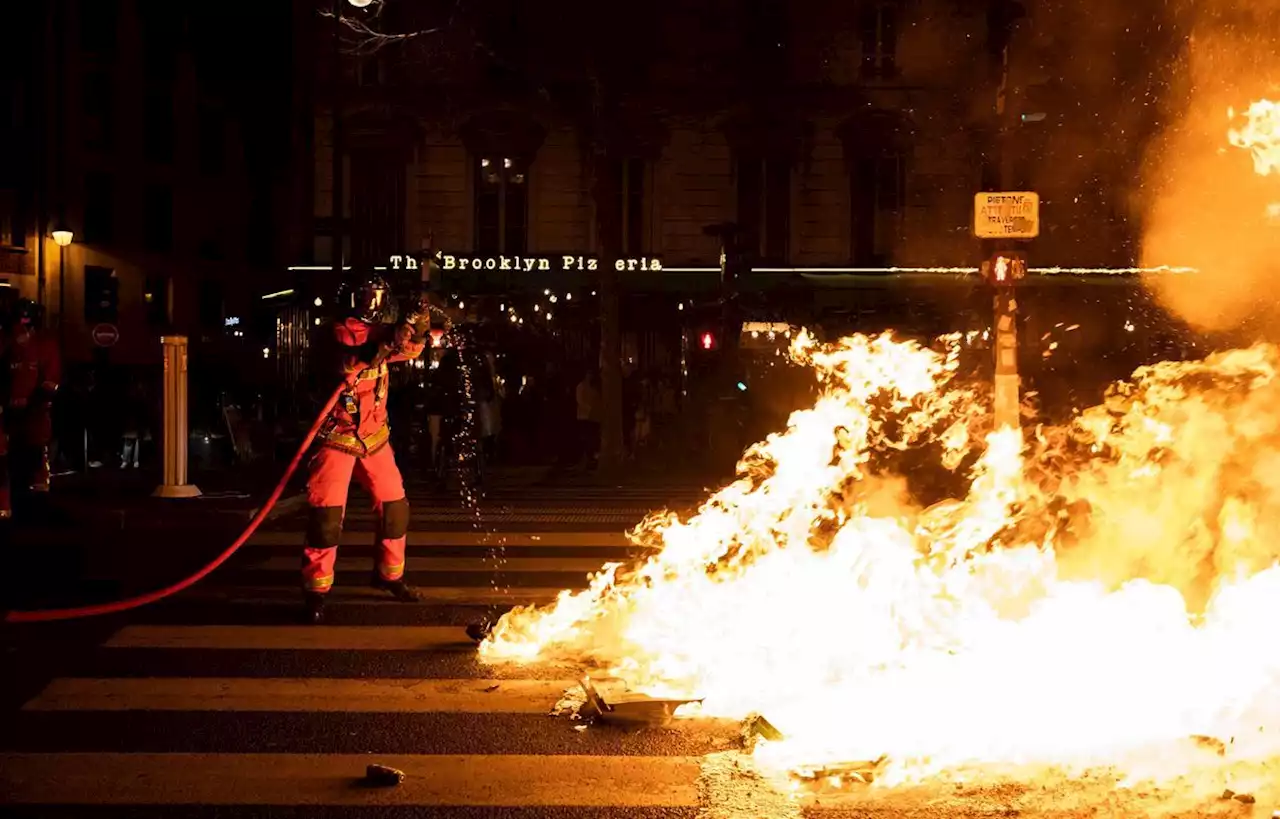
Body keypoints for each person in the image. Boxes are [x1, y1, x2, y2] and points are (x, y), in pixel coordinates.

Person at [301, 276, 433, 624]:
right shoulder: (336, 332)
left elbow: (410, 349)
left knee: (395, 509)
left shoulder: (384, 332)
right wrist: (393, 337)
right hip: (336, 437)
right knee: (326, 518)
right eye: (366, 297)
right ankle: (316, 590)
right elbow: (352, 359)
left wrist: (416, 329)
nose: (372, 305)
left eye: (377, 298)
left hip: (375, 438)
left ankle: (390, 576)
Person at [0, 298, 61, 519]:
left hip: (34, 414)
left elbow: (51, 381)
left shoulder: (45, 344)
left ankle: (37, 504)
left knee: (35, 458)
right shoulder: (6, 343)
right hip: (9, 414)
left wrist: (33, 402)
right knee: (7, 460)